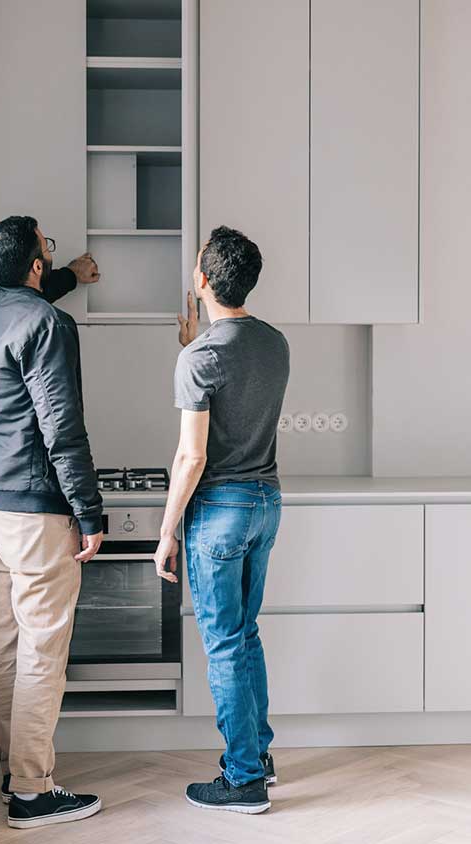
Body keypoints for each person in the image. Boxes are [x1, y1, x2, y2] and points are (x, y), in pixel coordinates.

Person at [0, 215, 105, 829]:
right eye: (48, 246)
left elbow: (25, 303)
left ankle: (10, 769)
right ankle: (32, 791)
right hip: (31, 512)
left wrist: (69, 274)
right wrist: (89, 512)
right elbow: (61, 427)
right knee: (42, 649)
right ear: (36, 264)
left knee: (3, 646)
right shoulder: (49, 324)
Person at [154, 226, 290, 814]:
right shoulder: (275, 343)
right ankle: (257, 757)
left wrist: (166, 532)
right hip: (265, 502)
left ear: (202, 279)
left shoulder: (201, 357)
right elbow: (238, 374)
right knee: (245, 634)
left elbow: (192, 456)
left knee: (224, 644)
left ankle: (242, 782)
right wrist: (196, 342)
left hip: (220, 511)